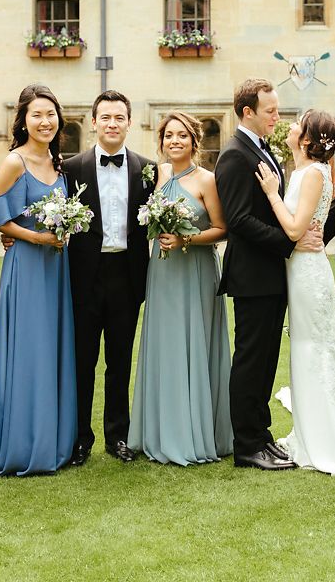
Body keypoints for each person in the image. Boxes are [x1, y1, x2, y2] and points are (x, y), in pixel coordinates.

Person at [255, 111, 335, 475]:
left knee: (313, 351)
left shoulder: (311, 175)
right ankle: (309, 430)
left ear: (309, 139)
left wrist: (271, 194)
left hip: (308, 274)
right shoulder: (309, 171)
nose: (291, 126)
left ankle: (323, 439)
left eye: (298, 123)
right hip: (303, 270)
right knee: (310, 349)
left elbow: (295, 229)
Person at [0, 84, 76, 477]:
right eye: (37, 115)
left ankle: (55, 441)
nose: (45, 122)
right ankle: (23, 445)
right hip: (28, 267)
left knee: (52, 348)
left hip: (56, 269)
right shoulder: (14, 162)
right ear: (23, 121)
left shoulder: (59, 165)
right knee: (29, 350)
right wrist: (35, 237)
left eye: (51, 114)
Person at [214, 78, 324, 471]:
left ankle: (261, 436)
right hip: (252, 277)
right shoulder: (233, 155)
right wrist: (290, 242)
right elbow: (239, 220)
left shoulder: (259, 149)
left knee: (264, 364)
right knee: (250, 361)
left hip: (271, 276)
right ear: (248, 112)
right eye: (271, 111)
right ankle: (246, 446)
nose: (277, 116)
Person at [128, 111, 233, 465]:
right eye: (169, 135)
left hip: (196, 272)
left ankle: (195, 434)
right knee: (164, 346)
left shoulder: (207, 180)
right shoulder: (157, 174)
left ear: (194, 141)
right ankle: (158, 431)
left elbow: (222, 229)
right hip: (162, 272)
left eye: (182, 136)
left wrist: (187, 237)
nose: (175, 141)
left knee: (193, 344)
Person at [62, 90, 154, 465]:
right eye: (106, 117)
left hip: (127, 275)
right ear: (94, 122)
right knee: (82, 362)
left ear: (129, 123)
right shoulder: (70, 168)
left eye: (120, 118)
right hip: (83, 276)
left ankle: (118, 436)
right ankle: (80, 438)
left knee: (120, 361)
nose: (113, 124)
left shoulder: (147, 169)